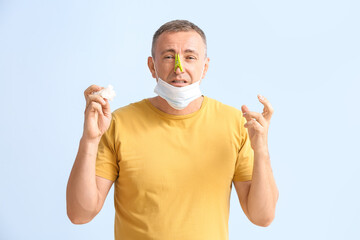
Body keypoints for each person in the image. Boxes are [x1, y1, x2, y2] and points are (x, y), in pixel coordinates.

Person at [66, 19, 279, 240]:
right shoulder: (118, 123)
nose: (179, 68)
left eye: (190, 57)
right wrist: (90, 139)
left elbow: (262, 217)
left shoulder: (236, 123)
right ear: (151, 66)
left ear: (204, 67)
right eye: (168, 56)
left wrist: (261, 149)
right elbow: (80, 214)